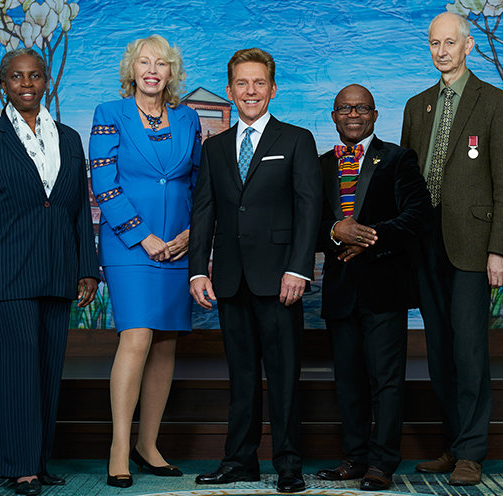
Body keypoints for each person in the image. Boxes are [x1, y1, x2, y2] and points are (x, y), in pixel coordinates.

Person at [0, 48, 99, 496]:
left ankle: (38, 462)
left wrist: (87, 268)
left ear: (46, 81)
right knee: (16, 372)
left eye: (35, 76)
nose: (27, 83)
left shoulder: (70, 138)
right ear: (4, 83)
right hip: (7, 273)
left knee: (46, 370)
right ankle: (20, 467)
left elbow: (78, 210)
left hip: (57, 270)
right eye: (17, 77)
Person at [189, 47, 322, 493]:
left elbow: (309, 209)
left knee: (284, 377)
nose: (250, 91)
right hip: (229, 279)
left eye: (259, 83)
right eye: (242, 83)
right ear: (229, 90)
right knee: (241, 376)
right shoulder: (215, 148)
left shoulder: (296, 139)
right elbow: (203, 211)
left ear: (273, 89)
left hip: (281, 279)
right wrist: (197, 270)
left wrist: (299, 269)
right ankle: (239, 462)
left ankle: (289, 465)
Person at [401, 12, 503, 485]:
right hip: (425, 244)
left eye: (451, 42)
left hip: (473, 245)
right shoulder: (417, 106)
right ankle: (452, 444)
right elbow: (406, 182)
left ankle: (471, 452)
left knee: (469, 351)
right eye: (435, 43)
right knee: (439, 352)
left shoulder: (494, 102)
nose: (442, 51)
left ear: (468, 46)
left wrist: (499, 250)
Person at [89, 34, 202, 488]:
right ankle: (119, 446)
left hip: (178, 245)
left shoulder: (189, 117)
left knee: (165, 343)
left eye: (161, 63)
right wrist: (142, 235)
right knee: (136, 337)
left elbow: (198, 182)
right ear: (131, 70)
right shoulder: (109, 114)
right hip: (129, 246)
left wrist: (192, 233)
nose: (152, 70)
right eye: (144, 63)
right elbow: (104, 184)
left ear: (172, 72)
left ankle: (147, 445)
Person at [315, 85, 432, 491]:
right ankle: (354, 458)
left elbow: (418, 215)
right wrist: (335, 230)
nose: (354, 114)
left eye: (362, 108)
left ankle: (381, 463)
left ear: (375, 115)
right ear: (334, 116)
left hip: (384, 287)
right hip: (340, 289)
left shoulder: (398, 159)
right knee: (348, 380)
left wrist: (366, 238)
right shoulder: (321, 165)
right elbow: (307, 222)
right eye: (345, 108)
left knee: (386, 380)